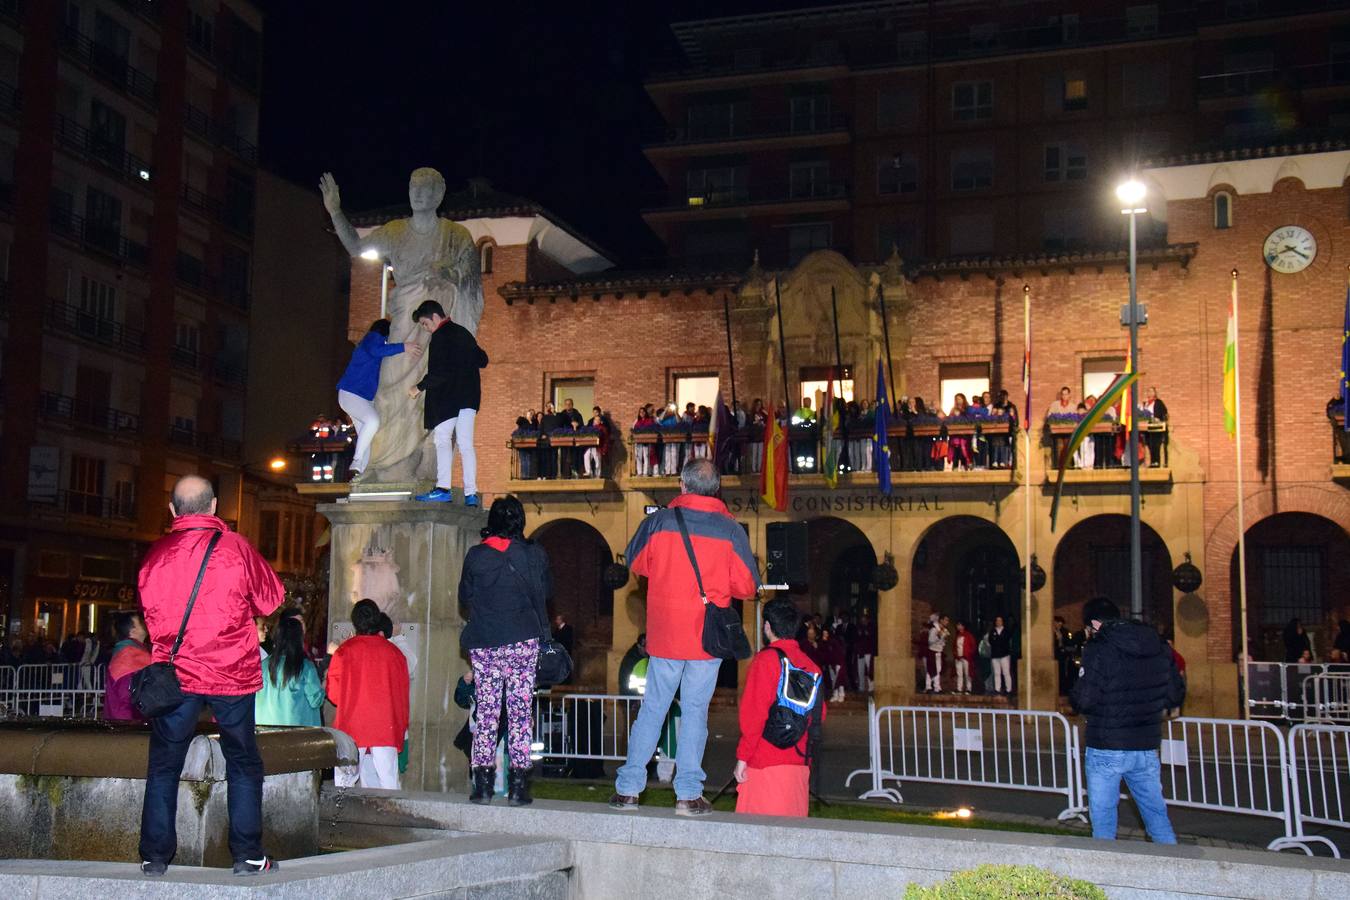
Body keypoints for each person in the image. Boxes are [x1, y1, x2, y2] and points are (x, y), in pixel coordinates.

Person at [137, 475, 283, 877]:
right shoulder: (236, 548)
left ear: (172, 510)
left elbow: (150, 612)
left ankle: (155, 856)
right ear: (214, 506)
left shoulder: (156, 555)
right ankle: (247, 854)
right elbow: (271, 599)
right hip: (231, 672)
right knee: (242, 762)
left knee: (164, 765)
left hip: (176, 674)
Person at [609, 458, 759, 816]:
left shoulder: (659, 521)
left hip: (665, 637)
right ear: (716, 489)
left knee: (652, 710)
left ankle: (629, 789)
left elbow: (638, 563)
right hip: (707, 641)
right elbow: (747, 586)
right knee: (695, 714)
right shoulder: (731, 530)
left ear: (682, 484)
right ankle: (688, 794)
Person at [319, 168, 483, 483]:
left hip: (436, 332)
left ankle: (422, 464)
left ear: (439, 192)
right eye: (413, 187)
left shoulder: (456, 236)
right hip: (404, 324)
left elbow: (470, 276)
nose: (418, 193)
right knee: (389, 390)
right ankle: (384, 462)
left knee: (429, 391)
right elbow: (356, 247)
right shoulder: (395, 231)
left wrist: (448, 274)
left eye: (425, 188)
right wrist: (336, 211)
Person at [459, 496, 553, 806]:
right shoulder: (534, 555)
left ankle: (482, 785)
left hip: (486, 642)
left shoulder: (476, 556)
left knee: (486, 712)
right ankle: (518, 786)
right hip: (522, 641)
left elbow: (465, 596)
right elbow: (547, 592)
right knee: (520, 713)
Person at [1071, 597, 1184, 844]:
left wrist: (1077, 687)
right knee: (1157, 818)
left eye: (1087, 629)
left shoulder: (1098, 648)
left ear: (1094, 625)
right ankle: (1175, 870)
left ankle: (1105, 876)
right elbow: (1176, 693)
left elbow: (1085, 699)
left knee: (1103, 825)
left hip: (1106, 744)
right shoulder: (1158, 645)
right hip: (1146, 744)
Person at [733, 597, 824, 818]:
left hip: (764, 763)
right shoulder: (811, 666)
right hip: (799, 764)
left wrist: (743, 758)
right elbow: (817, 716)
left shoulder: (765, 661)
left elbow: (754, 715)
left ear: (767, 626)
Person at [409, 299, 489, 505]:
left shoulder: (440, 337)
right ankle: (471, 493)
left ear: (435, 317)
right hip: (469, 396)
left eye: (426, 324)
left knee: (442, 439)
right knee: (465, 444)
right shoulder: (463, 333)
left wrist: (419, 387)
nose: (426, 329)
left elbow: (439, 371)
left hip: (448, 398)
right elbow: (483, 359)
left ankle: (443, 488)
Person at [327, 600, 410, 790]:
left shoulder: (344, 652)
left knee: (344, 785)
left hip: (352, 725)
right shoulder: (395, 654)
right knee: (388, 783)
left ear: (355, 622)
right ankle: (390, 819)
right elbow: (402, 696)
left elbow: (334, 694)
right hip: (385, 727)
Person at [337, 319, 422, 477]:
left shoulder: (370, 343)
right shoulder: (373, 338)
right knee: (373, 421)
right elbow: (377, 350)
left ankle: (359, 472)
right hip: (351, 393)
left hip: (360, 397)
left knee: (367, 436)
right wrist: (404, 347)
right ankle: (356, 460)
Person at [255, 615, 324, 727]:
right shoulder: (305, 667)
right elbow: (315, 700)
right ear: (299, 638)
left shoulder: (263, 665)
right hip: (298, 734)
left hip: (265, 732)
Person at [104, 610, 151, 722]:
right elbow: (128, 695)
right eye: (140, 622)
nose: (145, 623)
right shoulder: (129, 655)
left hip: (125, 719)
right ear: (132, 630)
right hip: (128, 722)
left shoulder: (129, 650)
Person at [1141, 386, 1169, 467]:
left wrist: (1158, 419)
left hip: (1157, 427)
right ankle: (1153, 462)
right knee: (1150, 445)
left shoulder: (1158, 402)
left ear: (1155, 393)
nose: (1149, 393)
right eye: (1148, 391)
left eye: (1151, 391)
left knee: (1156, 445)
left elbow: (1164, 413)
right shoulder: (1145, 404)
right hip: (1148, 427)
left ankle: (1157, 462)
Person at [988, 615, 1013, 694]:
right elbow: (991, 641)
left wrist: (999, 641)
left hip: (1004, 655)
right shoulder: (992, 631)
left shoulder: (1006, 631)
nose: (998, 622)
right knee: (997, 673)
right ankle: (997, 689)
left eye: (1000, 620)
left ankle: (1008, 689)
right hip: (995, 655)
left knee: (1006, 672)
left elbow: (1006, 640)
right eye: (997, 620)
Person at [924, 613, 949, 693]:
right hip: (932, 651)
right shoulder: (934, 629)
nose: (947, 622)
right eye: (946, 620)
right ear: (941, 620)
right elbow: (930, 641)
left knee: (938, 669)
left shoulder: (944, 630)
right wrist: (938, 636)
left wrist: (944, 640)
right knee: (931, 669)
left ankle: (937, 687)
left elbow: (942, 642)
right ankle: (928, 686)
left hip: (939, 652)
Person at [952, 620, 977, 695]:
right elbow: (954, 646)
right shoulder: (957, 635)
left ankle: (968, 688)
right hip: (958, 657)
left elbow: (973, 646)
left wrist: (969, 653)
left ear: (963, 626)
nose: (958, 627)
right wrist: (955, 654)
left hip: (966, 657)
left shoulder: (968, 635)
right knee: (959, 673)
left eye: (959, 625)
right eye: (957, 625)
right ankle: (959, 688)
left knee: (967, 673)